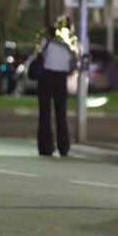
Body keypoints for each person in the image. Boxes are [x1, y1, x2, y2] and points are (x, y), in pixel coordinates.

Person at [35, 18, 77, 157]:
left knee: (45, 113)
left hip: (47, 76)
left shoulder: (46, 42)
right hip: (61, 78)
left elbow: (39, 55)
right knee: (61, 112)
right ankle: (63, 146)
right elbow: (73, 62)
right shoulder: (69, 44)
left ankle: (45, 146)